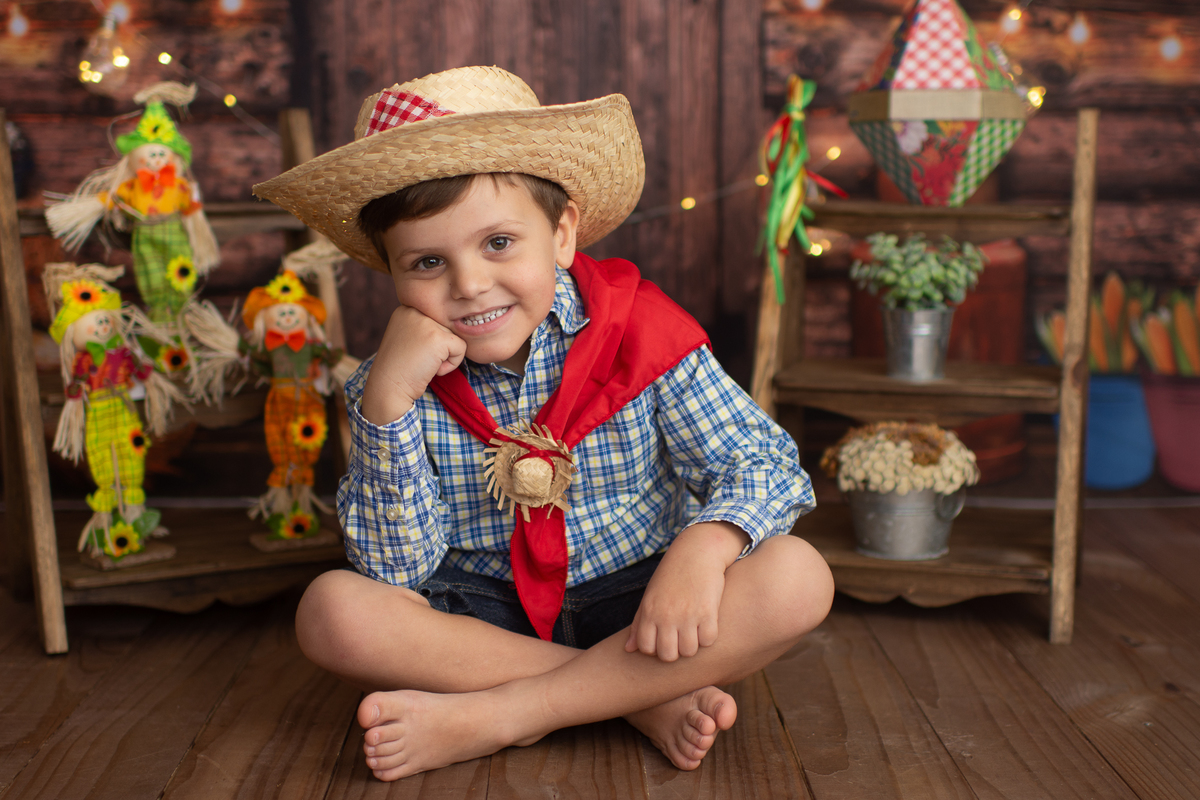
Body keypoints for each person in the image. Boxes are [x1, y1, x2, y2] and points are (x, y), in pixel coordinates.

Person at [254, 65, 833, 782]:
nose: (468, 285)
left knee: (797, 576)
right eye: (429, 261)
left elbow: (766, 465)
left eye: (498, 243)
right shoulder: (388, 385)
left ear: (562, 235)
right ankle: (626, 698)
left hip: (641, 601)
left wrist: (704, 548)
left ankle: (503, 715)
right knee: (331, 610)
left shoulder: (641, 333)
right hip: (477, 619)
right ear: (392, 273)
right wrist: (388, 408)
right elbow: (394, 572)